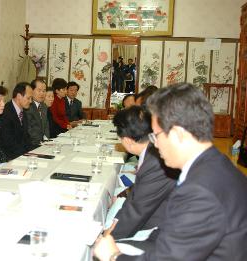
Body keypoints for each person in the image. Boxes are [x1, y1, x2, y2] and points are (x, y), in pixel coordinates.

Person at [94, 83, 247, 261]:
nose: (155, 145)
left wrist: (113, 256)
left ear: (178, 134)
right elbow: (172, 229)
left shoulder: (200, 191)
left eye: (156, 135)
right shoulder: (214, 164)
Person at [108, 106, 178, 239]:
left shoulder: (157, 160)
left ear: (127, 140)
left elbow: (137, 211)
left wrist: (109, 236)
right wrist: (123, 196)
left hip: (162, 229)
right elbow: (142, 188)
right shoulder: (151, 152)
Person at [0, 82, 36, 160]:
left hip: (21, 155)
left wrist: (36, 151)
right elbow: (8, 142)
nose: (30, 101)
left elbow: (26, 138)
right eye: (28, 98)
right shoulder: (6, 112)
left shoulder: (23, 112)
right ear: (19, 96)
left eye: (31, 98)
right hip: (10, 157)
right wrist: (26, 156)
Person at [25, 79, 50, 146]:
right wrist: (40, 143)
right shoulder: (27, 106)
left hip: (43, 143)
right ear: (31, 91)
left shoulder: (44, 106)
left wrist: (46, 140)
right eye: (39, 90)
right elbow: (29, 129)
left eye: (44, 91)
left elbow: (46, 126)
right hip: (31, 144)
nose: (42, 93)